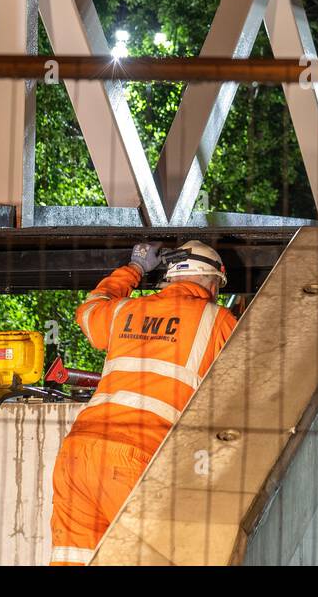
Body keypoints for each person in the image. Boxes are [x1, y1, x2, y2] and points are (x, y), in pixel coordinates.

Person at [48, 240, 236, 566]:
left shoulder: (126, 310)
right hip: (139, 456)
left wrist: (134, 268)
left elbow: (89, 311)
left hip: (79, 453)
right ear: (211, 280)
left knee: (75, 558)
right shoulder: (218, 321)